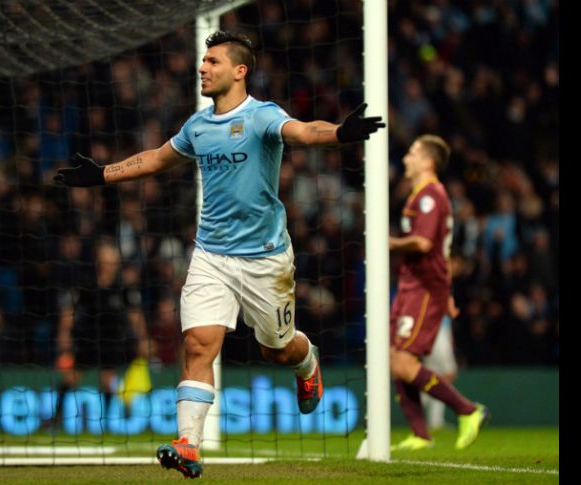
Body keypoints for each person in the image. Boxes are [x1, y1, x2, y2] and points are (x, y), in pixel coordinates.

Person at [54, 30, 385, 478]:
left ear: (239, 70)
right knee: (197, 346)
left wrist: (341, 133)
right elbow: (155, 158)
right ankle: (188, 444)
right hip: (211, 255)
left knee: (278, 350)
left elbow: (305, 132)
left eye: (212, 62)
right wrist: (103, 176)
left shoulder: (261, 116)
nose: (202, 68)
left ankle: (308, 360)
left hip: (265, 259)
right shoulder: (198, 126)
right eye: (202, 62)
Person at [389, 135, 488, 451]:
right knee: (392, 359)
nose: (407, 158)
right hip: (413, 286)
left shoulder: (431, 196)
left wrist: (387, 241)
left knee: (404, 363)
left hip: (423, 288)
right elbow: (439, 251)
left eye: (413, 153)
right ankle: (420, 433)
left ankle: (468, 410)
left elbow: (424, 244)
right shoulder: (420, 195)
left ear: (428, 162)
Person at [53, 240, 150, 427]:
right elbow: (68, 310)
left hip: (112, 339)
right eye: (108, 258)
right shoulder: (85, 283)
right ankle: (56, 416)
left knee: (108, 381)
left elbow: (135, 314)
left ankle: (106, 421)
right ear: (100, 260)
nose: (112, 262)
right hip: (86, 338)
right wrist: (64, 333)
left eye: (114, 258)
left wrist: (143, 338)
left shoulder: (123, 287)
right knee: (71, 377)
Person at [420, 297, 460, 430]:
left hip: (432, 335)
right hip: (437, 335)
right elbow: (451, 311)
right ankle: (418, 403)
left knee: (435, 377)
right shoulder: (437, 283)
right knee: (448, 375)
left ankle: (433, 419)